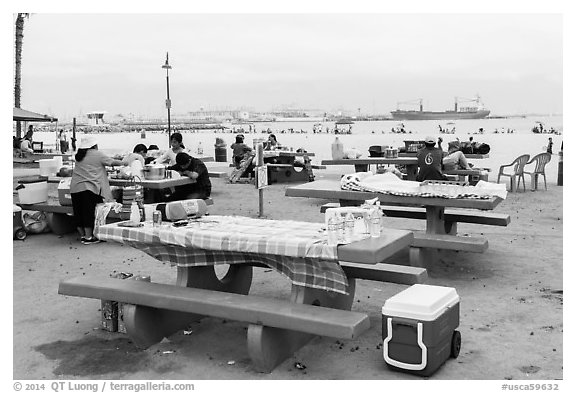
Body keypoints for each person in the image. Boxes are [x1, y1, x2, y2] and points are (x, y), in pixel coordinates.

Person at [70, 135, 124, 244]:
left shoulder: (79, 155)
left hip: (75, 187)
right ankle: (89, 237)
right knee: (88, 212)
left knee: (78, 211)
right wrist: (125, 162)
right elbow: (112, 162)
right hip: (89, 187)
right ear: (94, 145)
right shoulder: (97, 154)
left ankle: (83, 236)